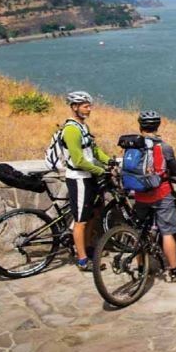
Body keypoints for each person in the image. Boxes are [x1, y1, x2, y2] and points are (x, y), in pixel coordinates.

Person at [133, 110, 176, 282]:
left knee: (139, 231)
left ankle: (141, 268)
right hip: (161, 193)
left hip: (140, 194)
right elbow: (175, 169)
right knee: (167, 232)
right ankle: (174, 272)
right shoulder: (164, 147)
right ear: (157, 126)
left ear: (140, 127)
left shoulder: (133, 146)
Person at [62, 91, 111, 271]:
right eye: (85, 106)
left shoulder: (83, 127)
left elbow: (94, 151)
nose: (89, 109)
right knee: (80, 221)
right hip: (78, 179)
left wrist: (109, 161)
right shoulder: (71, 130)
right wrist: (100, 170)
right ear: (74, 107)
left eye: (90, 106)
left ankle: (88, 248)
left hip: (88, 178)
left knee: (91, 216)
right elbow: (78, 160)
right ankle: (82, 260)